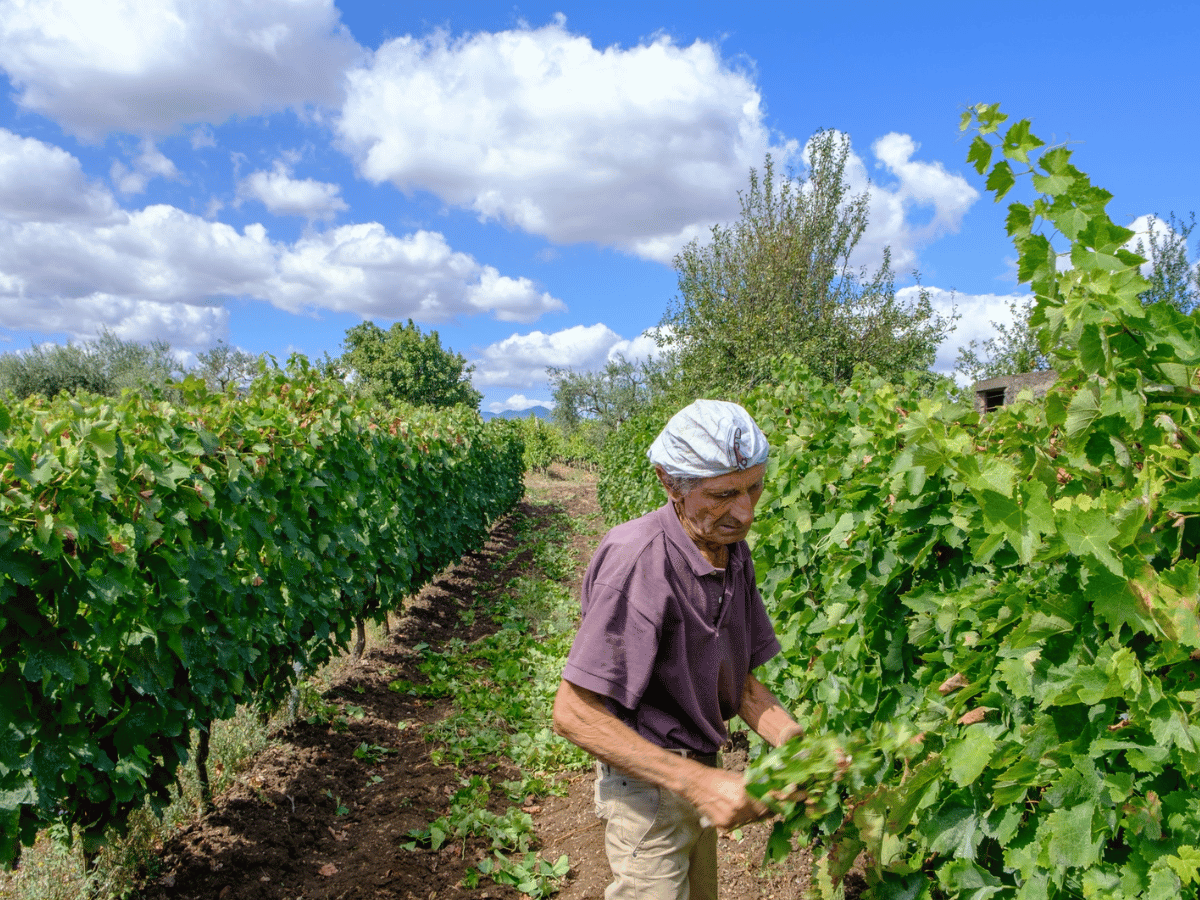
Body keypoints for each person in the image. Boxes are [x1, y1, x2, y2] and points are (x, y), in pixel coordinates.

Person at [552, 398, 803, 900]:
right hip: (645, 786)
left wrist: (797, 743)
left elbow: (741, 687)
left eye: (755, 487)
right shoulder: (638, 563)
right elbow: (573, 713)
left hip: (698, 768)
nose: (746, 511)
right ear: (670, 484)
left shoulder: (730, 550)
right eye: (724, 493)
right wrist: (697, 784)